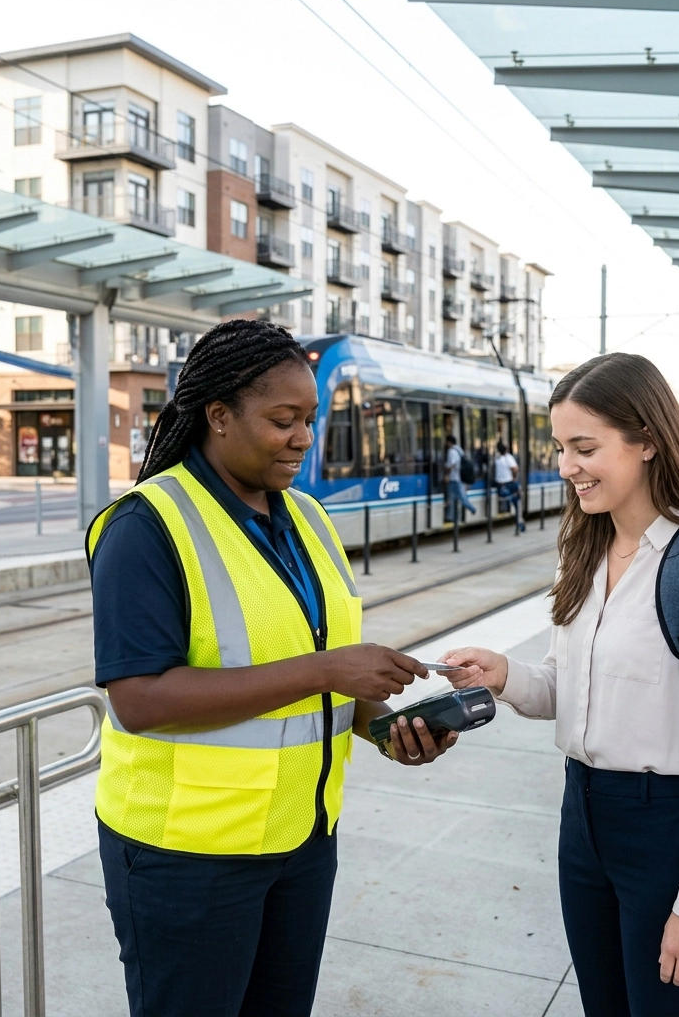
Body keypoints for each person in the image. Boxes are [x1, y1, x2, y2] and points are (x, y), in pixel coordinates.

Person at [88, 320, 458, 1017]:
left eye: (310, 419)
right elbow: (138, 699)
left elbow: (319, 680)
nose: (303, 438)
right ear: (219, 416)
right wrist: (325, 670)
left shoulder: (309, 518)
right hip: (187, 856)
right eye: (283, 421)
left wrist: (388, 729)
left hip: (301, 841)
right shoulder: (145, 526)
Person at [437, 353, 679, 1017]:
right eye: (560, 447)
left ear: (647, 440)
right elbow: (571, 691)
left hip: (668, 830)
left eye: (584, 448)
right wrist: (504, 675)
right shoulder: (585, 550)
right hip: (582, 820)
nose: (566, 466)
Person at [444, 433, 476, 522]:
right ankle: (452, 516)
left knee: (454, 498)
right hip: (460, 478)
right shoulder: (459, 450)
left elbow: (452, 463)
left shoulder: (451, 451)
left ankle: (452, 516)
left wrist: (447, 473)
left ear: (449, 442)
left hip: (454, 478)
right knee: (457, 497)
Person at [494, 440, 524, 532]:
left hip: (500, 484)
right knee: (517, 503)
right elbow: (515, 468)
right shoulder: (508, 458)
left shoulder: (497, 459)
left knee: (509, 501)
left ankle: (518, 522)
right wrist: (514, 478)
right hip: (510, 483)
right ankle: (520, 523)